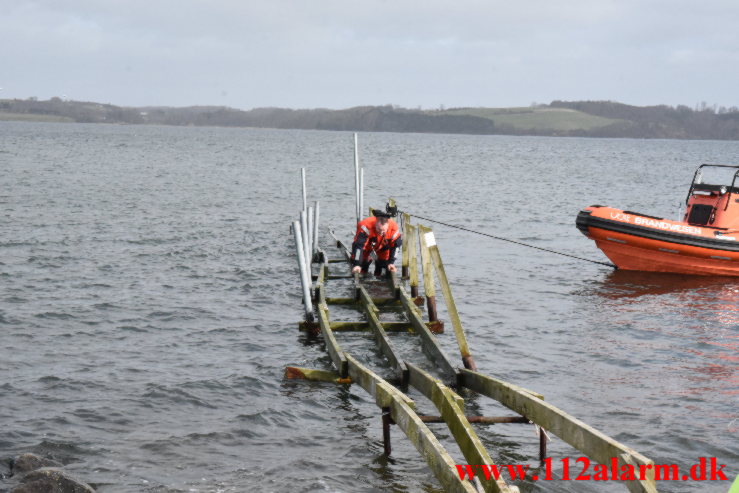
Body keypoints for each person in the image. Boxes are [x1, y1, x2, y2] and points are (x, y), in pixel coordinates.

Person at [351, 205, 402, 276]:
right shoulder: (365, 227)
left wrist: (391, 262)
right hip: (367, 245)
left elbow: (396, 247)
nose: (381, 232)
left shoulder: (393, 229)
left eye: (383, 231)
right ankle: (363, 274)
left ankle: (379, 276)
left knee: (384, 264)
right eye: (379, 230)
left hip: (383, 246)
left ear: (387, 226)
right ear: (375, 225)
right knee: (362, 264)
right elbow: (359, 247)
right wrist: (357, 264)